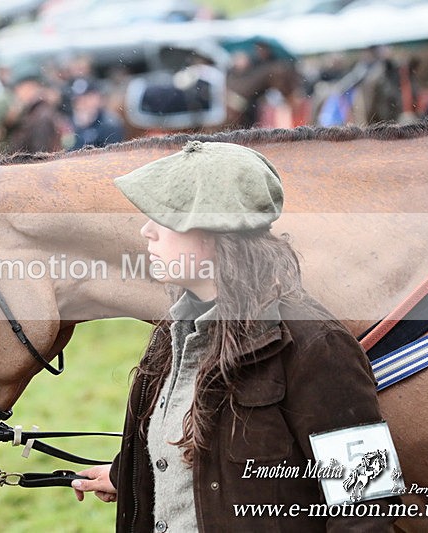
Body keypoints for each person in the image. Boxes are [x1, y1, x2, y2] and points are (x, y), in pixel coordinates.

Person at [71, 141, 399, 530]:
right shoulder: (172, 334)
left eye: (166, 217)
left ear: (216, 233)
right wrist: (135, 476)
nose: (147, 231)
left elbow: (367, 505)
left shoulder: (316, 346)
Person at [67, 78, 124, 150]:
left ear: (97, 98)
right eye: (78, 100)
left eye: (86, 99)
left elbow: (113, 154)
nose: (82, 103)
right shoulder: (71, 122)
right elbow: (68, 149)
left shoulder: (109, 123)